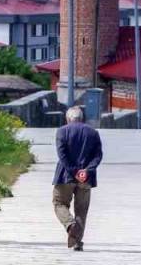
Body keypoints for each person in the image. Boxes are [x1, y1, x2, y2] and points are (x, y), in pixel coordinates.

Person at [53, 106, 103, 251]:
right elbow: (98, 155)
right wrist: (87, 170)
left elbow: (62, 156)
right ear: (82, 118)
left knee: (59, 203)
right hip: (86, 178)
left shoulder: (62, 131)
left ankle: (70, 224)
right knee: (81, 210)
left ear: (68, 119)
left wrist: (74, 171)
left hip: (65, 176)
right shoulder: (93, 133)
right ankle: (76, 242)